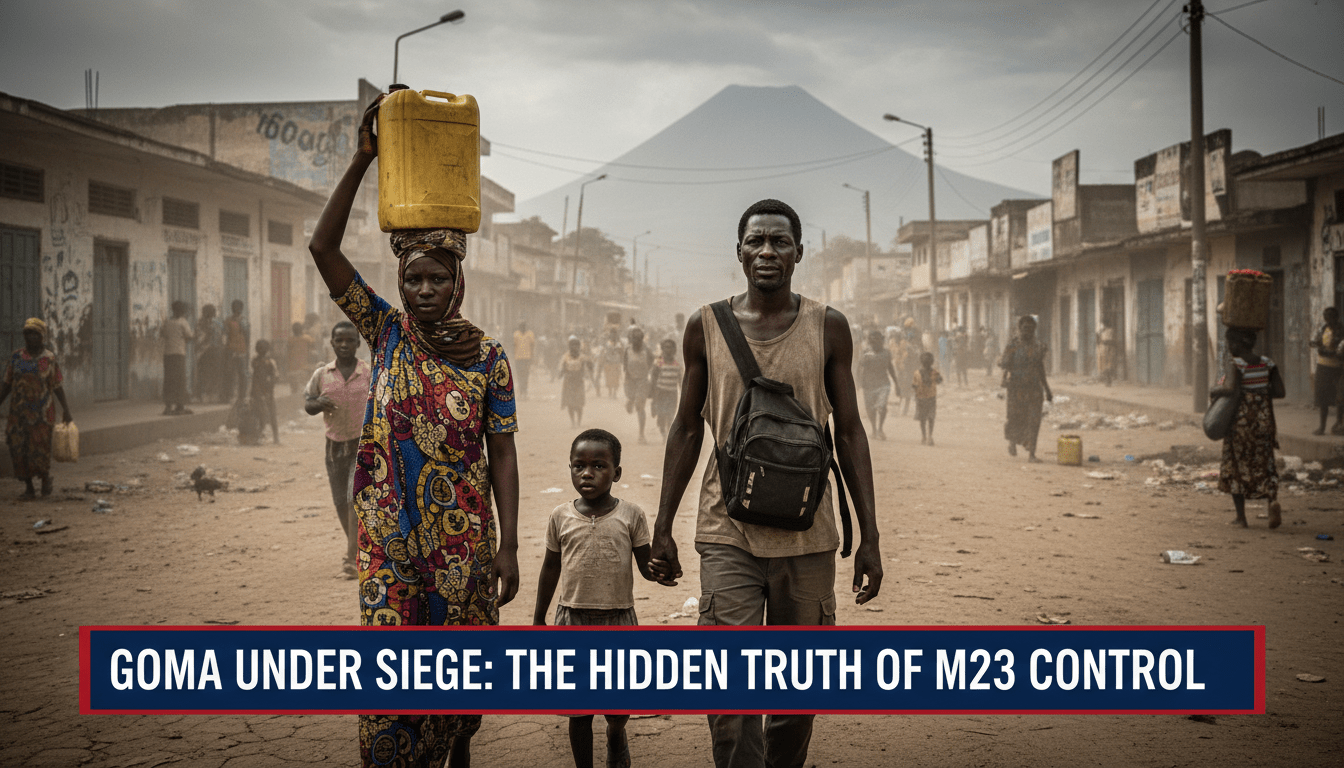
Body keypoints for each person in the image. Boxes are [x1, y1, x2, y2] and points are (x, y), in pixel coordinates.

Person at [306, 93, 520, 768]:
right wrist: (364, 157)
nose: (424, 288)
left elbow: (504, 457)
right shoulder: (385, 331)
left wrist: (509, 544)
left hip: (462, 547)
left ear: (459, 282)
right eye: (413, 277)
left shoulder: (488, 358)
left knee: (456, 686)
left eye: (437, 277)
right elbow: (322, 246)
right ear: (399, 282)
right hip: (389, 546)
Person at [649, 199, 882, 768]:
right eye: (756, 241)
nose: (767, 252)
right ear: (739, 252)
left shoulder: (828, 326)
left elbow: (849, 431)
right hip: (727, 528)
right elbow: (685, 428)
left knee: (797, 692)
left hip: (808, 532)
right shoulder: (704, 325)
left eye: (780, 242)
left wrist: (871, 536)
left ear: (800, 253)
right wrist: (662, 525)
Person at [533, 428, 654, 768]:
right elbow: (550, 569)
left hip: (619, 620)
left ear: (616, 473)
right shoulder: (561, 516)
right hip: (572, 620)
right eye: (579, 466)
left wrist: (661, 570)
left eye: (599, 466)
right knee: (579, 710)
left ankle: (616, 736)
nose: (587, 473)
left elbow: (645, 566)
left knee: (618, 708)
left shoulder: (632, 515)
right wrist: (538, 618)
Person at [304, 321, 371, 579]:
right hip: (334, 446)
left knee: (354, 499)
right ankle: (356, 550)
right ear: (331, 343)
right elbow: (308, 403)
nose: (344, 345)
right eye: (339, 340)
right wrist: (318, 403)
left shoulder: (367, 373)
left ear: (358, 343)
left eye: (349, 340)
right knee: (340, 502)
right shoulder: (322, 374)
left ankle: (351, 558)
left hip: (361, 445)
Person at [1211, 327, 1285, 528]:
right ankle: (1272, 502)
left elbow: (1230, 388)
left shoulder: (1237, 363)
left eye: (1229, 344)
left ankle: (1241, 518)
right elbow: (1279, 392)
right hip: (1264, 421)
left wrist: (1214, 389)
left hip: (1241, 423)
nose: (1228, 348)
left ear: (1236, 344)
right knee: (1265, 462)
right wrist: (1259, 392)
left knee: (1236, 465)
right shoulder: (1268, 363)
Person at [1, 318, 73, 498]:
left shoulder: (49, 359)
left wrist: (67, 410)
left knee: (40, 449)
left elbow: (57, 386)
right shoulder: (16, 357)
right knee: (19, 448)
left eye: (36, 334)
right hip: (19, 414)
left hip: (42, 414)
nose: (32, 337)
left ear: (42, 336)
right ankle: (29, 488)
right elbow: (6, 384)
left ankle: (45, 478)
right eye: (28, 334)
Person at [999, 315, 1053, 462]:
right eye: (1024, 328)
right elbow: (1005, 364)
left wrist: (1047, 389)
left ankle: (1032, 454)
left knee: (1034, 420)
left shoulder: (1039, 346)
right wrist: (1005, 376)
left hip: (1034, 388)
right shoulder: (1013, 345)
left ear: (1034, 329)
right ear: (1019, 329)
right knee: (1015, 418)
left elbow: (1040, 368)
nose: (1027, 331)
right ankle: (1012, 442)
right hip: (1016, 388)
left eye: (1030, 328)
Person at [858, 328, 900, 440]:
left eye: (878, 341)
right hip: (868, 385)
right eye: (873, 341)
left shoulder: (886, 353)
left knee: (882, 407)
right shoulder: (866, 353)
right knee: (870, 409)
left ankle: (880, 428)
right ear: (870, 342)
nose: (875, 343)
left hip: (883, 384)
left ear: (882, 341)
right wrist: (857, 383)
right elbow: (859, 368)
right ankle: (874, 429)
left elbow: (890, 368)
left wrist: (896, 384)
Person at [1308, 307, 1342, 436]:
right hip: (1323, 366)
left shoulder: (1342, 330)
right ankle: (1322, 427)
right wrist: (1315, 343)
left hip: (1338, 367)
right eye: (1325, 317)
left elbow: (1340, 351)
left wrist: (1327, 352)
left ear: (1336, 317)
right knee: (1322, 397)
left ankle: (1339, 424)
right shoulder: (1324, 328)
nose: (1327, 319)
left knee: (1340, 398)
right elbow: (1318, 341)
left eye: (1330, 317)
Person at [623, 326, 656, 443]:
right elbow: (625, 364)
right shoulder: (627, 350)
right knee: (632, 399)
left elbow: (653, 360)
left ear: (642, 339)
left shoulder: (646, 350)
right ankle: (630, 400)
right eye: (634, 338)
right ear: (631, 339)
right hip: (630, 381)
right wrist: (627, 378)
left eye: (638, 339)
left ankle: (641, 434)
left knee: (639, 407)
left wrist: (649, 372)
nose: (636, 341)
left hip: (642, 381)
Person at [161, 300, 194, 416]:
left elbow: (163, 334)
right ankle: (180, 406)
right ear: (181, 311)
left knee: (169, 380)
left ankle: (168, 407)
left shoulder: (167, 322)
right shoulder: (183, 322)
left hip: (168, 354)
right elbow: (189, 336)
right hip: (179, 354)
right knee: (180, 380)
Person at [649, 337, 682, 439]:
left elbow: (680, 381)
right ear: (663, 349)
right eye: (666, 347)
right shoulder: (658, 362)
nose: (669, 350)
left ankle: (668, 435)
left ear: (674, 350)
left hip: (672, 393)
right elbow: (653, 379)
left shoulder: (677, 364)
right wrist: (653, 396)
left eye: (671, 348)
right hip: (660, 392)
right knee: (662, 414)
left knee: (671, 414)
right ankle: (663, 432)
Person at [249, 339, 280, 445]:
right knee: (271, 415)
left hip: (257, 392)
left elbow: (254, 378)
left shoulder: (255, 361)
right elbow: (276, 377)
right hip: (267, 392)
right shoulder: (270, 362)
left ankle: (257, 437)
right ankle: (276, 438)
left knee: (259, 414)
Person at [558, 336, 592, 427]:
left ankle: (578, 422)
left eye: (576, 345)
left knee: (579, 404)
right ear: (569, 346)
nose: (574, 347)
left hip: (579, 382)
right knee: (570, 404)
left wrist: (590, 369)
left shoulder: (582, 357)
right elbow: (561, 368)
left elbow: (589, 367)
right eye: (572, 345)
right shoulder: (565, 357)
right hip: (568, 382)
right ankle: (573, 421)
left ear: (579, 346)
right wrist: (560, 372)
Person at [195, 304, 223, 403]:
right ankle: (204, 394)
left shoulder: (216, 324)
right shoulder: (201, 324)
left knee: (213, 373)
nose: (212, 314)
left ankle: (211, 394)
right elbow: (199, 339)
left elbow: (220, 337)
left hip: (213, 351)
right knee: (205, 373)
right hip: (205, 352)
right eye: (210, 312)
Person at [913, 351, 942, 446]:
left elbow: (914, 386)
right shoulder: (934, 372)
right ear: (932, 362)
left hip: (921, 398)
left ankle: (924, 436)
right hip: (931, 398)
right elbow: (940, 380)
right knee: (930, 418)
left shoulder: (917, 373)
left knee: (923, 419)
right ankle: (929, 436)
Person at [223, 299, 250, 402]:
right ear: (232, 308)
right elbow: (225, 335)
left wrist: (246, 350)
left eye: (238, 308)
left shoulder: (244, 321)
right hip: (231, 350)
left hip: (241, 351)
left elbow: (247, 337)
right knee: (230, 373)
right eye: (235, 307)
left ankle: (241, 396)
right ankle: (229, 395)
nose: (236, 309)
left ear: (241, 309)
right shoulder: (228, 321)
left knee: (242, 374)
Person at [286, 322, 314, 395]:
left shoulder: (290, 340)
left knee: (294, 390)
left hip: (292, 368)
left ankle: (294, 404)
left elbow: (288, 353)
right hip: (304, 367)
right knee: (303, 389)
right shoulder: (307, 338)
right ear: (302, 329)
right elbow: (312, 349)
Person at [513, 321, 536, 399]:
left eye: (524, 326)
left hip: (527, 358)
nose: (523, 328)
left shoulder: (530, 334)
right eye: (521, 326)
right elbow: (514, 345)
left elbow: (532, 345)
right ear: (519, 327)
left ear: (526, 327)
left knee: (526, 375)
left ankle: (525, 392)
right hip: (518, 358)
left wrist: (532, 356)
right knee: (519, 375)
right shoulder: (516, 334)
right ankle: (521, 392)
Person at [599, 329, 624, 399]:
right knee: (608, 378)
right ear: (610, 335)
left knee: (616, 378)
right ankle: (610, 391)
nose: (613, 336)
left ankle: (614, 392)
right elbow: (603, 350)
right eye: (612, 334)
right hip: (608, 362)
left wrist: (620, 353)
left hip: (616, 363)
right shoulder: (607, 343)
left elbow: (622, 352)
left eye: (614, 334)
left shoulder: (619, 343)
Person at [1097, 320, 1118, 387]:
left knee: (1107, 365)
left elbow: (1110, 340)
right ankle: (1107, 380)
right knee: (1106, 365)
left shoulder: (1109, 331)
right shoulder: (1103, 331)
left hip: (1107, 348)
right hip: (1105, 348)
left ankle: (1108, 381)